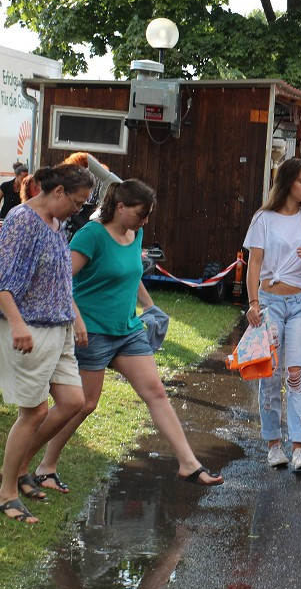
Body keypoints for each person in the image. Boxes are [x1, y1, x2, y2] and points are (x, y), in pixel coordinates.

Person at [36, 179, 225, 490]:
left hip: (128, 329)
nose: (145, 220)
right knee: (85, 404)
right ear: (120, 207)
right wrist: (77, 319)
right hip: (93, 330)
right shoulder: (91, 235)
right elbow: (60, 278)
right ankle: (44, 464)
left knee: (156, 392)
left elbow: (131, 275)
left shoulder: (135, 233)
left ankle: (188, 464)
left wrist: (151, 308)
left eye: (148, 214)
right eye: (141, 213)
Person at [0, 164, 94, 524]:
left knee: (73, 401)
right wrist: (18, 324)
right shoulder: (22, 220)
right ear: (57, 193)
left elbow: (58, 278)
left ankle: (21, 469)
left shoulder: (58, 224)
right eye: (78, 202)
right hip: (31, 330)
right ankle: (7, 492)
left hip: (60, 327)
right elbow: (3, 279)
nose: (79, 210)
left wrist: (76, 317)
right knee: (35, 411)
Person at [243, 158, 301, 471]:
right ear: (288, 182)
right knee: (271, 375)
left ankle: (299, 447)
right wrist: (253, 303)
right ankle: (274, 444)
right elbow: (254, 264)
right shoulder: (264, 218)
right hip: (270, 302)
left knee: (296, 374)